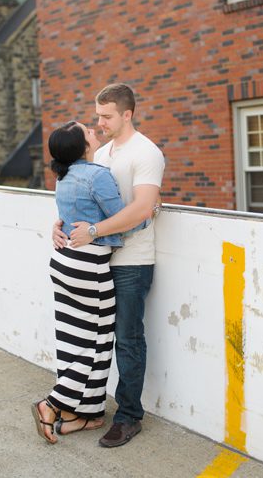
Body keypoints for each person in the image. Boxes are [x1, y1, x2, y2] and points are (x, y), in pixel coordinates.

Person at [53, 83, 165, 448]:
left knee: (127, 339)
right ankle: (87, 409)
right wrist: (58, 225)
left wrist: (96, 230)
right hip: (96, 261)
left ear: (127, 114)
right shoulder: (100, 154)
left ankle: (129, 415)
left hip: (132, 261)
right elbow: (83, 200)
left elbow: (144, 207)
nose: (98, 122)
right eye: (97, 116)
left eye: (106, 116)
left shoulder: (146, 153)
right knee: (93, 338)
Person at [31, 121, 136, 444]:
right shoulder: (97, 175)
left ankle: (85, 414)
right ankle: (52, 405)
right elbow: (124, 221)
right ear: (83, 146)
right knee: (96, 345)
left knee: (73, 341)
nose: (94, 130)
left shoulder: (64, 178)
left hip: (63, 263)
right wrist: (150, 209)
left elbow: (68, 217)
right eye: (88, 130)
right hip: (89, 266)